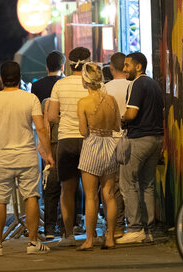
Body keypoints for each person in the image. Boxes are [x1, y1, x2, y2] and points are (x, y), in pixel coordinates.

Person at [0, 60, 54, 256]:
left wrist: (2, 145)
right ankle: (32, 242)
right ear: (20, 78)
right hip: (27, 157)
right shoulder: (30, 99)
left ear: (2, 79)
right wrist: (48, 154)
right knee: (31, 197)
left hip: (3, 158)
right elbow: (40, 129)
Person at [116, 52, 165, 244]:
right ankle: (148, 229)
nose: (124, 69)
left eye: (127, 65)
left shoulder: (137, 84)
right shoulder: (154, 84)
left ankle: (135, 228)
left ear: (138, 67)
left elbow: (131, 113)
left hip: (139, 139)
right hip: (156, 139)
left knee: (127, 183)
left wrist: (121, 119)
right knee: (147, 184)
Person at [47, 47, 91, 247]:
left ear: (70, 64)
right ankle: (91, 235)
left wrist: (66, 119)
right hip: (89, 139)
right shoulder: (94, 84)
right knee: (92, 190)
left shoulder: (59, 85)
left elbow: (51, 117)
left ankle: (68, 235)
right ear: (88, 62)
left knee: (67, 189)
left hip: (65, 140)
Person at [75, 63, 120, 251]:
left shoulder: (83, 103)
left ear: (86, 80)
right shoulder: (111, 100)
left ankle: (89, 240)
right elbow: (117, 126)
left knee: (91, 196)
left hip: (92, 145)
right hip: (110, 145)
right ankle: (109, 237)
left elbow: (83, 130)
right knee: (109, 194)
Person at [32, 51, 65, 240]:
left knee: (49, 182)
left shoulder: (37, 86)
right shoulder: (66, 83)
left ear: (46, 66)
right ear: (62, 66)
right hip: (68, 137)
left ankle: (50, 227)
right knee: (70, 183)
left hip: (46, 140)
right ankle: (72, 223)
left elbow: (35, 115)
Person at [104, 52, 131, 238]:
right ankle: (137, 225)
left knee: (112, 186)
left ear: (111, 68)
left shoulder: (105, 89)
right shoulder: (134, 86)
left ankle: (118, 227)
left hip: (111, 140)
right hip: (131, 139)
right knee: (131, 184)